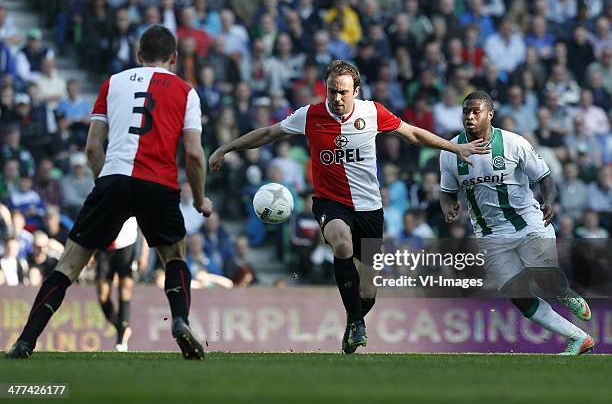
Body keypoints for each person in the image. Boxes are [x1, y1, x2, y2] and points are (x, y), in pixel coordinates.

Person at [209, 60, 488, 354]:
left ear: (356, 90)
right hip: (331, 202)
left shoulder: (372, 112)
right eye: (332, 91)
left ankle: (353, 320)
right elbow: (267, 134)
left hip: (369, 207)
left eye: (343, 92)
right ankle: (356, 322)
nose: (337, 98)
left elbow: (413, 134)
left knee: (368, 290)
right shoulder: (310, 115)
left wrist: (454, 147)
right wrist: (225, 148)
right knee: (340, 243)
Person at [6, 25, 212, 360]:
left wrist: (105, 184)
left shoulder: (113, 83)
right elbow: (193, 153)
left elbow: (91, 147)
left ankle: (25, 341)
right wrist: (200, 198)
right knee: (174, 257)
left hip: (113, 179)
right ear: (174, 58)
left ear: (138, 54)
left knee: (69, 265)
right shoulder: (186, 92)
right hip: (158, 185)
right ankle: (179, 320)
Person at [439, 91, 594, 355]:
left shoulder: (514, 143)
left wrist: (550, 202)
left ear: (490, 114)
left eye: (476, 111)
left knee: (545, 281)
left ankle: (567, 293)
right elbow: (447, 192)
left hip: (528, 223)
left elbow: (545, 176)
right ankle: (578, 338)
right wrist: (448, 207)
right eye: (466, 111)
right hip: (490, 235)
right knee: (519, 296)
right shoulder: (451, 151)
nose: (470, 116)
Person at [95, 217, 138, 352]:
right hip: (104, 244)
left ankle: (120, 342)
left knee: (124, 291)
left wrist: (144, 253)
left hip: (127, 243)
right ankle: (122, 329)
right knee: (103, 295)